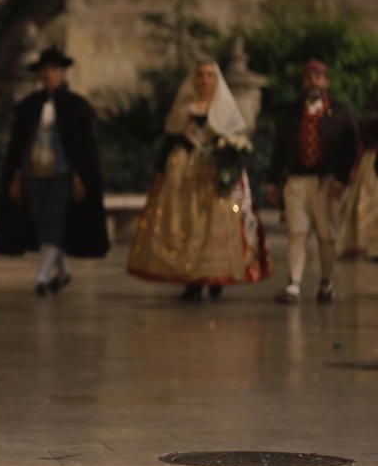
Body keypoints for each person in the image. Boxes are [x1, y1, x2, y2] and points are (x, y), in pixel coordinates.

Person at [127, 58, 270, 301]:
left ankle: (215, 273)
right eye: (200, 75)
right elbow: (170, 140)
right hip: (183, 173)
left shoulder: (224, 110)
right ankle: (191, 277)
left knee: (217, 222)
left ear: (216, 80)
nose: (204, 80)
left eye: (209, 75)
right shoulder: (183, 110)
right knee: (186, 223)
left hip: (214, 173)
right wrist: (160, 171)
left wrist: (231, 163)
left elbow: (235, 144)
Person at [0, 46, 110, 295]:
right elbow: (17, 146)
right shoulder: (28, 107)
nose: (49, 75)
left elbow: (82, 147)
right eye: (45, 70)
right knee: (41, 220)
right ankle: (62, 271)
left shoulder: (76, 107)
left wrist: (79, 176)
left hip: (61, 173)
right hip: (33, 173)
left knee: (55, 219)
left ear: (62, 73)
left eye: (54, 70)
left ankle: (42, 277)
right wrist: (15, 176)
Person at [268, 59, 358, 304]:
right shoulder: (291, 114)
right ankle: (294, 283)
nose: (313, 81)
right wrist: (273, 181)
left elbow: (351, 149)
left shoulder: (339, 113)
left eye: (318, 77)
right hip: (297, 180)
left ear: (326, 82)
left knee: (326, 235)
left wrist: (341, 179)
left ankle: (326, 282)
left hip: (326, 181)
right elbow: (279, 148)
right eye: (309, 77)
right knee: (297, 232)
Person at [338, 96, 378, 259]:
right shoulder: (370, 115)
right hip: (371, 158)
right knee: (363, 201)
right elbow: (362, 138)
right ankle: (364, 245)